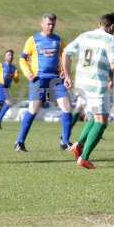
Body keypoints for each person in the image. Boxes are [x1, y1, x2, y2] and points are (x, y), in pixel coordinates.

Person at [62, 12, 114, 169]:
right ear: (112, 27)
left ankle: (78, 144)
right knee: (102, 122)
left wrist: (68, 76)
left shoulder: (84, 35)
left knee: (93, 117)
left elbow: (66, 53)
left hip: (81, 84)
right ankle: (83, 158)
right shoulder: (110, 39)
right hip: (96, 85)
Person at [14, 13, 72, 152]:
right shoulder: (33, 40)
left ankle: (65, 142)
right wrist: (29, 74)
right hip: (38, 79)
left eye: (53, 24)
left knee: (67, 108)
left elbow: (65, 56)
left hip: (56, 79)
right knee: (33, 110)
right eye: (48, 24)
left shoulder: (58, 40)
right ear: (42, 24)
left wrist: (65, 70)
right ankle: (19, 142)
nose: (50, 26)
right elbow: (22, 59)